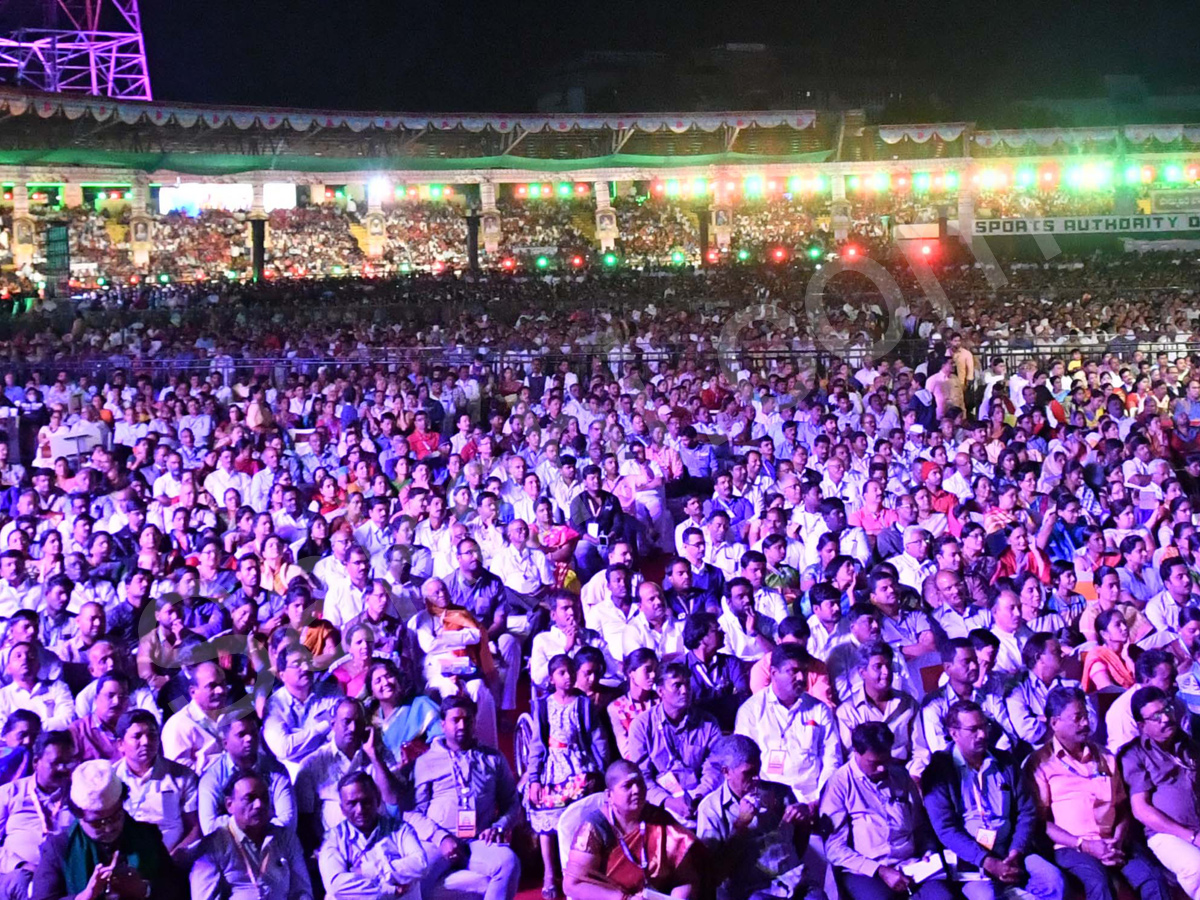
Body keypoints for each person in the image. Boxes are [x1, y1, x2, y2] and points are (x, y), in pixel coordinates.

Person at [1027, 686, 1171, 900]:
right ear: (1055, 723)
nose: (1085, 723)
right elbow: (1041, 822)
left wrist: (1117, 841)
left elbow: (1122, 808)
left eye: (1085, 715)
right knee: (1099, 883)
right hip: (1070, 847)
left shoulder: (1105, 756)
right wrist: (1084, 844)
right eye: (1077, 718)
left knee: (1154, 879)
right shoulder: (1041, 763)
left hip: (1112, 843)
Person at [922, 700, 1065, 900]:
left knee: (1052, 880)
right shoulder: (938, 771)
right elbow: (945, 829)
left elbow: (1026, 811)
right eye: (973, 729)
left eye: (984, 726)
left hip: (1011, 850)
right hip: (970, 859)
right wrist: (987, 861)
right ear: (954, 733)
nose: (982, 735)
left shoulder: (1005, 762)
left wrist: (1016, 850)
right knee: (987, 897)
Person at [819, 722, 952, 900]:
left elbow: (920, 826)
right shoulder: (839, 784)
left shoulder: (900, 775)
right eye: (874, 763)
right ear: (856, 753)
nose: (882, 768)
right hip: (866, 871)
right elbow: (834, 848)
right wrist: (880, 870)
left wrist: (927, 851)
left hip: (910, 865)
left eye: (886, 760)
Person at [411, 695, 521, 900]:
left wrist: (500, 826)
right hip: (439, 841)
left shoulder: (492, 758)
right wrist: (440, 837)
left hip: (479, 840)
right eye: (455, 720)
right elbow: (413, 813)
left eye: (467, 719)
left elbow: (513, 803)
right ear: (443, 724)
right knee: (415, 875)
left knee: (508, 863)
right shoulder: (426, 762)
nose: (462, 725)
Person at [521, 654, 610, 899]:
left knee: (580, 812)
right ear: (551, 679)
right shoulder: (542, 706)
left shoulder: (583, 704)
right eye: (562, 673)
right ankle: (550, 873)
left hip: (579, 766)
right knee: (542, 808)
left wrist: (603, 772)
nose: (568, 677)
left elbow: (597, 739)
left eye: (571, 671)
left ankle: (580, 871)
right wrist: (534, 780)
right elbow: (537, 746)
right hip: (553, 766)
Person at [697, 735, 827, 900]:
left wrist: (803, 823)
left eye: (757, 771)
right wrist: (740, 825)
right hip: (748, 890)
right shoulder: (711, 809)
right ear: (726, 772)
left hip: (790, 882)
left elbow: (797, 848)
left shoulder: (780, 794)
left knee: (818, 897)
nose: (756, 779)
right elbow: (715, 875)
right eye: (748, 773)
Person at [32, 759, 181, 900]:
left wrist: (143, 889)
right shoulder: (59, 848)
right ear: (79, 817)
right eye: (98, 823)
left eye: (115, 817)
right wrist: (84, 897)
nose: (109, 828)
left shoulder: (147, 835)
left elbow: (177, 890)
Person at [563, 760, 701, 900]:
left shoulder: (660, 820)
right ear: (609, 795)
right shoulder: (595, 828)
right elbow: (572, 885)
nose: (637, 790)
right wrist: (625, 899)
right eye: (627, 786)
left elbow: (686, 877)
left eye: (640, 783)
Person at [734, 644, 839, 809]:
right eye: (793, 671)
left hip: (813, 799)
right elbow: (744, 765)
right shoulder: (751, 711)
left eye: (804, 671)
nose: (801, 678)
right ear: (774, 673)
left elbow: (832, 758)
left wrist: (820, 798)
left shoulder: (819, 709)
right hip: (769, 803)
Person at [1120, 686, 1200, 899]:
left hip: (1197, 827)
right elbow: (1141, 810)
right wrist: (1191, 837)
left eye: (1167, 709)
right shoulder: (1134, 755)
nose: (1165, 718)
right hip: (1166, 835)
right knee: (1196, 866)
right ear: (1142, 725)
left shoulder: (1189, 745)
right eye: (1156, 716)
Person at [295, 698, 401, 850]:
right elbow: (304, 821)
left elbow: (393, 798)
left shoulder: (379, 755)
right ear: (333, 725)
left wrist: (373, 755)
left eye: (358, 722)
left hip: (383, 842)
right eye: (346, 721)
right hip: (336, 848)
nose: (352, 728)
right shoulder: (312, 764)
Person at [190, 772, 313, 900]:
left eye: (264, 798)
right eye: (250, 798)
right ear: (229, 805)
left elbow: (302, 891)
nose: (259, 804)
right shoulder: (214, 846)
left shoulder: (285, 838)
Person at [626, 662, 722, 826]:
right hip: (659, 802)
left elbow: (714, 767)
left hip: (700, 799)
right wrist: (668, 802)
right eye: (677, 685)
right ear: (660, 691)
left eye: (687, 684)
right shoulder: (642, 725)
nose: (685, 691)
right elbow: (642, 776)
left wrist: (700, 797)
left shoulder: (708, 723)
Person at [317, 771, 428, 900]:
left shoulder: (401, 830)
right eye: (352, 804)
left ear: (378, 800)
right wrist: (388, 889)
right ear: (342, 809)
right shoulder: (333, 839)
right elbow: (336, 885)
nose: (360, 810)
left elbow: (420, 864)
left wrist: (367, 871)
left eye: (366, 801)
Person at [112, 709, 202, 865]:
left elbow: (194, 828)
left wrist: (173, 858)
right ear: (120, 744)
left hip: (172, 861)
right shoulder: (111, 778)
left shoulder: (181, 776)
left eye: (152, 735)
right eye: (137, 736)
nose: (146, 742)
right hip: (125, 864)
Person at [0, 731, 77, 900]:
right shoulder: (10, 793)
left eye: (68, 763)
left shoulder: (78, 797)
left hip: (63, 879)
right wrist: (20, 865)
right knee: (19, 882)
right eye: (56, 763)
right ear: (36, 762)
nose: (63, 769)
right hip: (17, 875)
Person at [198, 714, 296, 835]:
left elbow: (288, 823)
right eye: (241, 735)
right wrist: (260, 820)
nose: (249, 738)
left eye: (253, 733)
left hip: (273, 844)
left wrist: (231, 822)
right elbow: (210, 828)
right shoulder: (212, 777)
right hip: (231, 848)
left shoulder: (276, 770)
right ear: (225, 743)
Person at [833, 641, 919, 769]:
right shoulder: (848, 711)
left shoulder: (907, 703)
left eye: (888, 666)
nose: (886, 672)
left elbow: (920, 749)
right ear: (862, 673)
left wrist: (914, 775)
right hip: (867, 777)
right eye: (878, 666)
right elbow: (851, 757)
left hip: (904, 771)